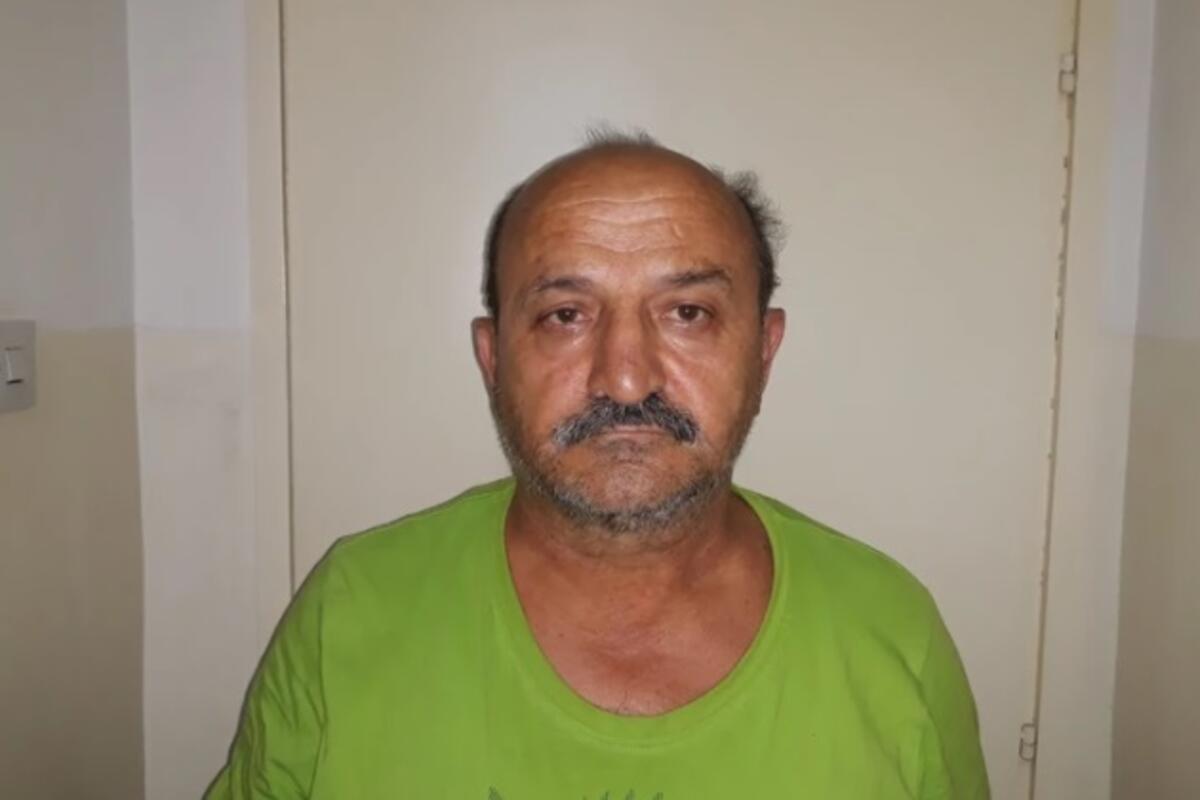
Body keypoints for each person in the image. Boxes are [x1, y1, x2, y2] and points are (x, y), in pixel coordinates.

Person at [205, 130, 989, 798]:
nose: (626, 378)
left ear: (763, 349)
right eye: (565, 315)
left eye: (688, 313)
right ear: (493, 359)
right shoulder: (351, 611)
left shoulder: (890, 633)